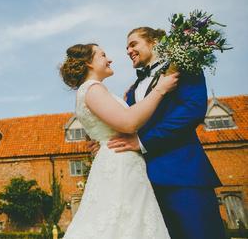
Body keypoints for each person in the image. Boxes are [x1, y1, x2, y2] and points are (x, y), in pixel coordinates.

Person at [90, 27, 226, 239]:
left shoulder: (183, 66)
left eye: (133, 44)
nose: (128, 50)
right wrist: (105, 142)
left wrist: (143, 141)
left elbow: (192, 111)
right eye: (126, 47)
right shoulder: (133, 90)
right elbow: (128, 125)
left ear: (154, 42)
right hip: (144, 186)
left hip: (183, 176)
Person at [59, 42, 179, 239]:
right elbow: (128, 123)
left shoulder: (92, 90)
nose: (109, 59)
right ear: (89, 63)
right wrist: (160, 89)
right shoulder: (93, 89)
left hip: (118, 160)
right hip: (120, 164)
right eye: (102, 55)